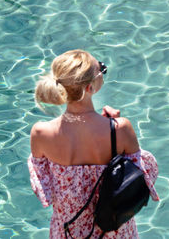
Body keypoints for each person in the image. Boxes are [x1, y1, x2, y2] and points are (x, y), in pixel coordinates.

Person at [27, 49, 159, 238]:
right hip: (114, 229)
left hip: (68, 230)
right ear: (90, 88)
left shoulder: (40, 133)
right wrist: (113, 126)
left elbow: (44, 190)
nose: (104, 72)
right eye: (102, 70)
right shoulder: (120, 129)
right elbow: (145, 176)